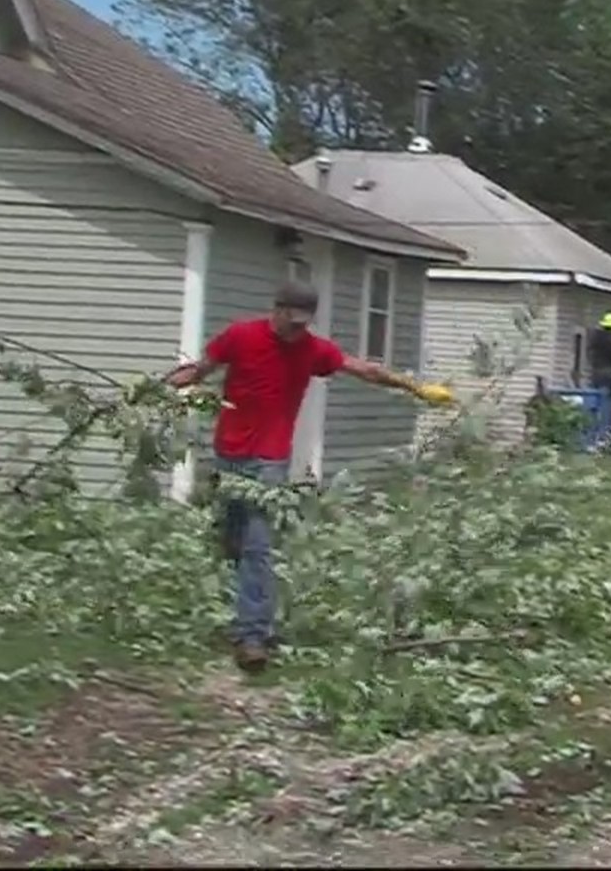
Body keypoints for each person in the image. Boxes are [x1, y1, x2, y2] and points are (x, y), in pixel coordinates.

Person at [165, 280, 454, 672]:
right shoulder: (240, 335)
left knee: (257, 546)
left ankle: (253, 637)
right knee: (235, 540)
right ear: (277, 309)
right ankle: (241, 572)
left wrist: (414, 388)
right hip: (228, 453)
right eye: (291, 320)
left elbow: (363, 369)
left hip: (269, 461)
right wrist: (174, 382)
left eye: (304, 323)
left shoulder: (313, 349)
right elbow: (204, 367)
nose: (296, 330)